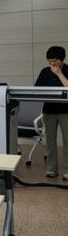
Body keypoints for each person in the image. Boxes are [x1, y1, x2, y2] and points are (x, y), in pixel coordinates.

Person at [35, 46, 68, 180]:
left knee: (67, 140)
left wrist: (59, 74)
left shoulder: (67, 70)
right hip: (49, 111)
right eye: (50, 61)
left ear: (62, 59)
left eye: (55, 61)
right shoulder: (44, 71)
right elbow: (37, 90)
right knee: (50, 141)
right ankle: (51, 169)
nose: (52, 64)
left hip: (66, 111)